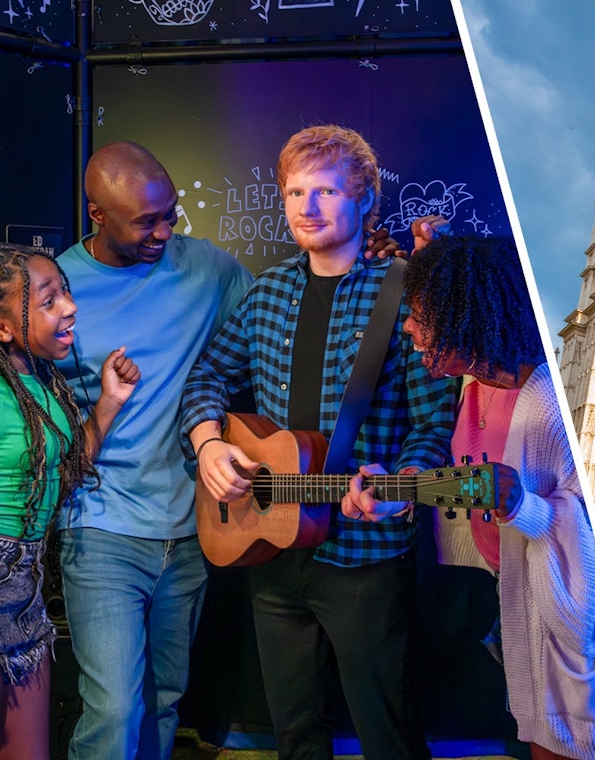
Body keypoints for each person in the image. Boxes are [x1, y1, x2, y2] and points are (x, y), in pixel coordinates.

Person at [183, 124, 457, 759]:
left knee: (387, 728)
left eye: (327, 191)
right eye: (295, 192)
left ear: (364, 199)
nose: (306, 207)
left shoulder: (404, 293)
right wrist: (207, 445)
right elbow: (209, 375)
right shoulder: (267, 291)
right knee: (295, 732)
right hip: (269, 543)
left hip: (365, 554)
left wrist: (398, 490)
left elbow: (433, 423)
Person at [347, 234, 595, 760]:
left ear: (462, 311)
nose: (409, 328)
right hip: (514, 607)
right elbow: (467, 486)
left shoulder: (549, 405)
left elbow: (585, 522)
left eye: (420, 314)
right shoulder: (472, 387)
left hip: (568, 630)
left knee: (584, 745)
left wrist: (525, 508)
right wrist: (394, 490)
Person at [52, 140, 254, 760]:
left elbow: (279, 318)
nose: (165, 230)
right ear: (97, 213)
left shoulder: (209, 270)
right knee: (115, 707)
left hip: (191, 529)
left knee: (165, 698)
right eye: (147, 220)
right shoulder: (57, 290)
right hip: (102, 529)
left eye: (171, 214)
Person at [0, 239, 139, 760]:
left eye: (66, 292)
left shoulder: (43, 388)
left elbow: (69, 469)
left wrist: (108, 404)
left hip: (25, 594)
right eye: (49, 300)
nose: (70, 307)